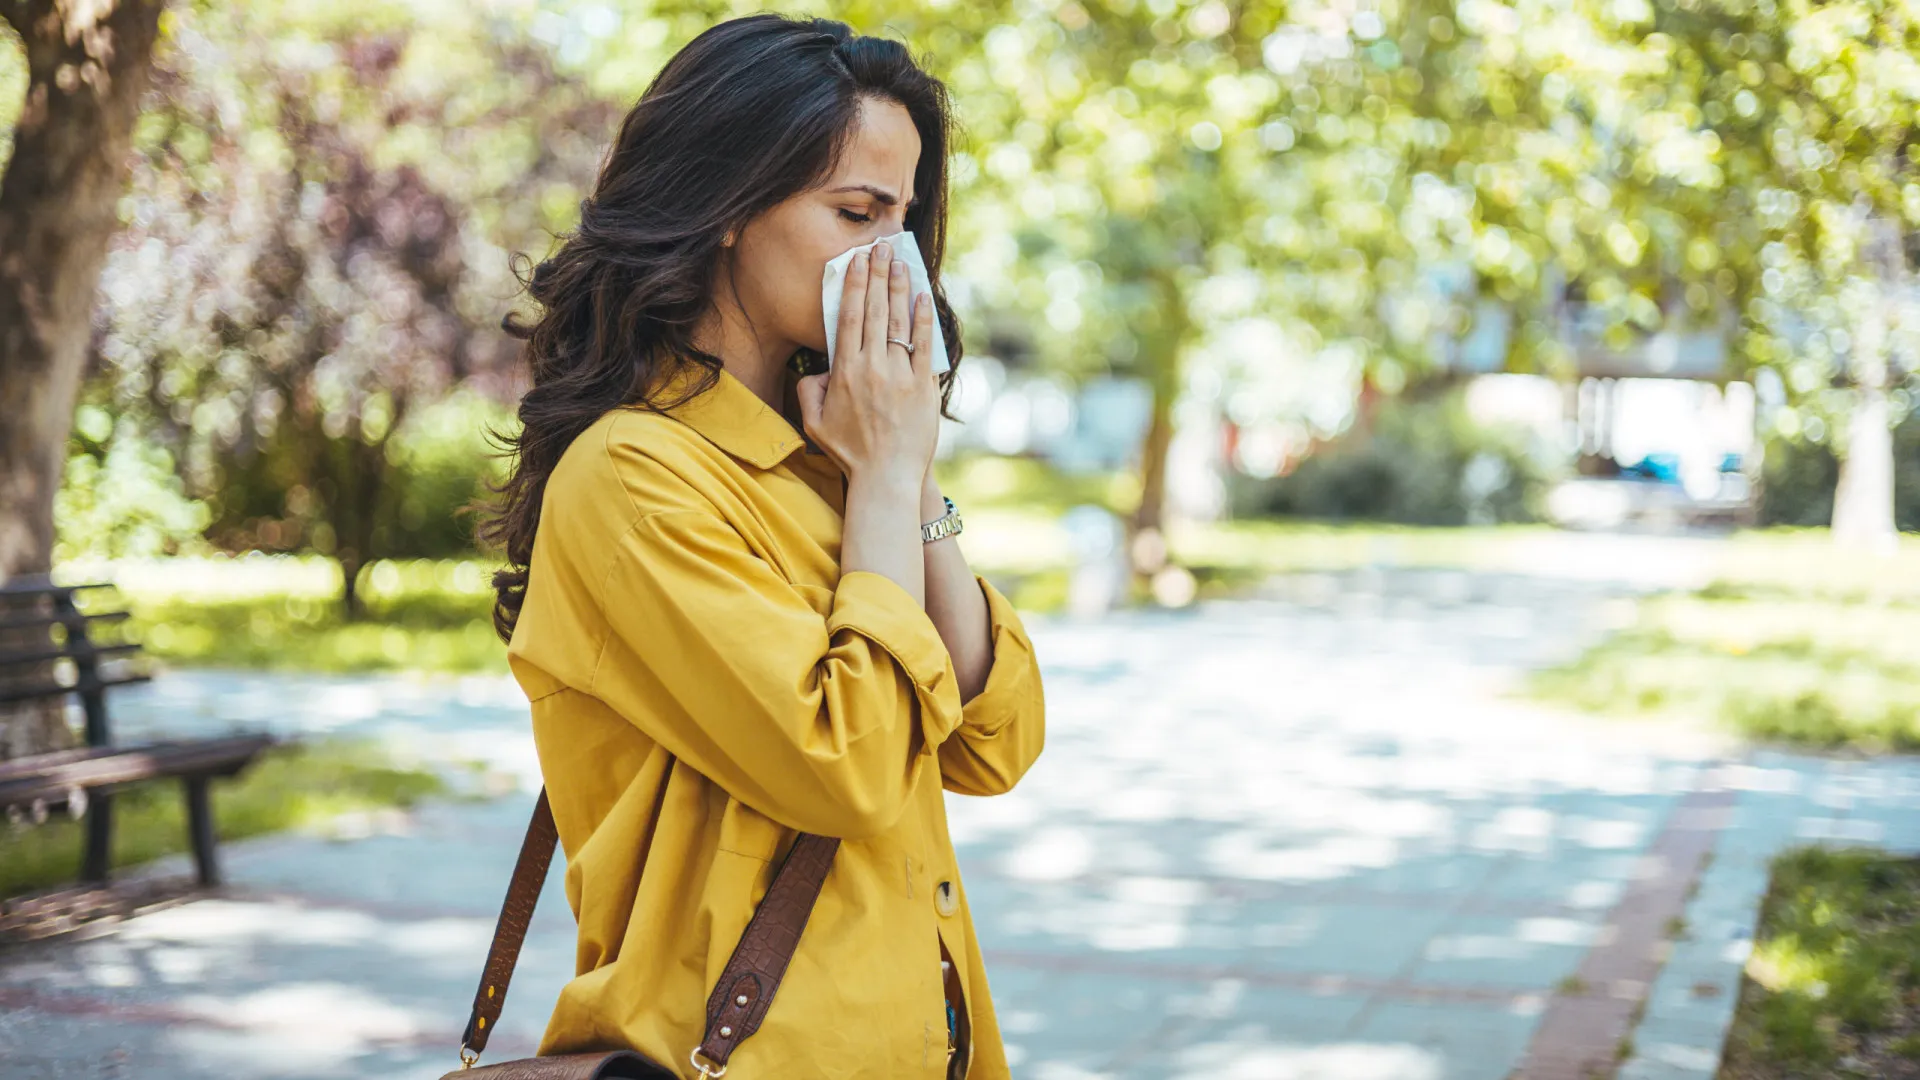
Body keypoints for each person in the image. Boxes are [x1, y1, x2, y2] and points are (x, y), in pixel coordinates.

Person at [477, 13, 1047, 1079]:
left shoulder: (834, 455)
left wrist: (907, 468)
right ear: (729, 207)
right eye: (855, 212)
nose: (893, 261)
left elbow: (992, 743)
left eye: (905, 221)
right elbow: (850, 769)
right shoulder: (633, 477)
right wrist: (881, 477)